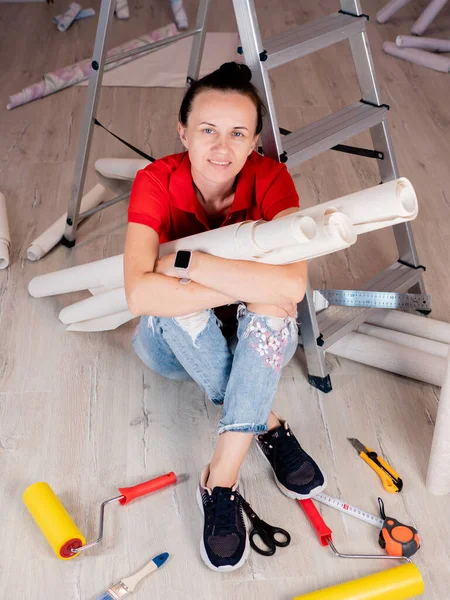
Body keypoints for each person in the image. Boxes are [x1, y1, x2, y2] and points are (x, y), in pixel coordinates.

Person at [124, 62, 326, 572]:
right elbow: (138, 296)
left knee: (268, 303)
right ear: (183, 132)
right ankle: (268, 422)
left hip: (235, 329)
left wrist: (191, 267)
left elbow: (293, 286)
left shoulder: (271, 178)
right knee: (228, 301)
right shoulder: (154, 180)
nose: (221, 147)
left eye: (238, 133)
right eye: (207, 130)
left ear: (255, 139)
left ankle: (221, 479)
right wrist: (241, 282)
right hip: (168, 346)